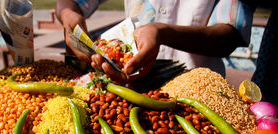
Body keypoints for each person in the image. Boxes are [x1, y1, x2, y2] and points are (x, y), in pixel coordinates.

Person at [55, 0, 255, 83]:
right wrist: (69, 16)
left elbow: (230, 34)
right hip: (131, 83)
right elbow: (69, 3)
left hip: (197, 87)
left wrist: (164, 33)